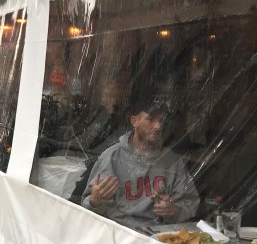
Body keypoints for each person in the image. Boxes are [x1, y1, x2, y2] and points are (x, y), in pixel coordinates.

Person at [81, 98, 199, 229]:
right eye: (150, 119)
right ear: (134, 121)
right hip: (118, 232)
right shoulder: (112, 157)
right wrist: (94, 201)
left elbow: (191, 203)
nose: (158, 126)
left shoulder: (172, 161)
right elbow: (85, 207)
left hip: (158, 235)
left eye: (161, 120)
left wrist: (173, 210)